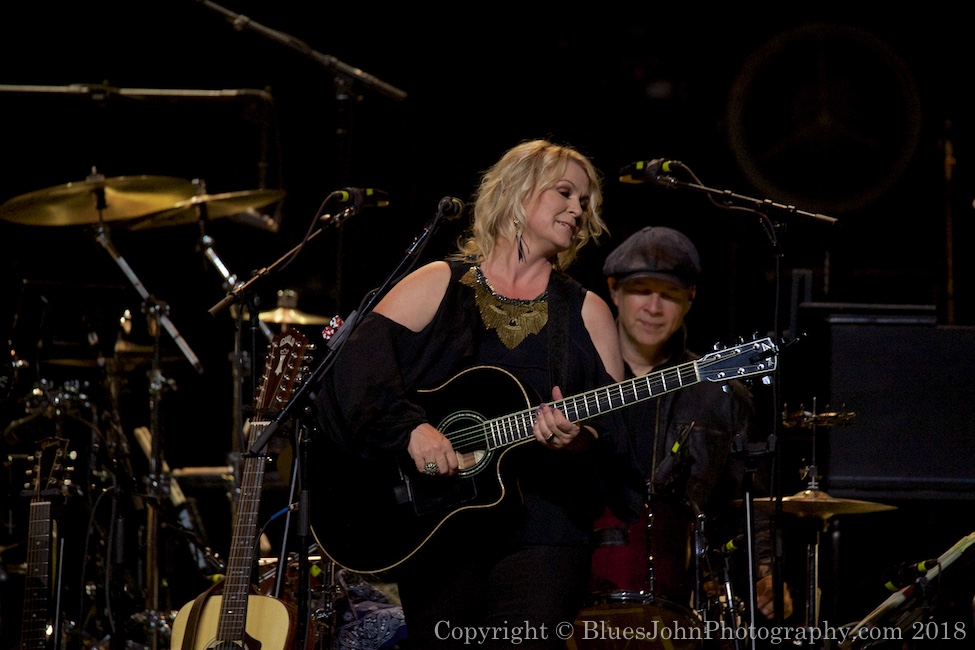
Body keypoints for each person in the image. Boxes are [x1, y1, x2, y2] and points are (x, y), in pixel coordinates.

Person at [313, 139, 626, 649]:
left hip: (544, 533)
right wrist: (411, 430)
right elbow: (350, 369)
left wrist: (580, 438)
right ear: (517, 192)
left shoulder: (587, 311)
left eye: (585, 202)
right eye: (564, 193)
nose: (578, 209)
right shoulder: (439, 281)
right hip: (439, 529)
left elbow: (614, 432)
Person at [598, 225, 794, 627]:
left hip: (681, 594)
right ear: (613, 290)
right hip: (580, 582)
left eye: (669, 294)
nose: (654, 307)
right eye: (641, 291)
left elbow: (750, 502)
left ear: (690, 299)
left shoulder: (722, 395)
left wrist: (766, 573)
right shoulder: (575, 379)